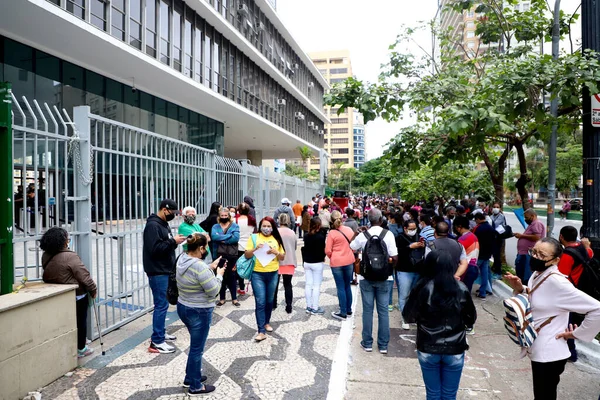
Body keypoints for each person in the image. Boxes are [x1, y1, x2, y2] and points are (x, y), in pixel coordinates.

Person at [504, 238, 600, 400]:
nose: (535, 257)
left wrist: (577, 334)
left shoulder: (558, 283)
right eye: (534, 252)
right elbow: (540, 298)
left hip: (550, 353)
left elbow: (597, 308)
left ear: (555, 260)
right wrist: (521, 289)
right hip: (538, 347)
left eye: (541, 255)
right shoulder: (538, 274)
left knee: (544, 396)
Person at [403, 251, 477, 400]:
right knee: (449, 395)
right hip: (455, 347)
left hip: (428, 346)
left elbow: (408, 316)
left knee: (433, 393)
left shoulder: (422, 287)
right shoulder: (461, 288)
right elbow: (471, 319)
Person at [176, 233, 224, 395]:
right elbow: (214, 291)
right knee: (197, 349)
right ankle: (195, 386)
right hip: (199, 310)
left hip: (184, 306)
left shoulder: (182, 259)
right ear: (201, 248)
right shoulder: (199, 266)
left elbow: (194, 275)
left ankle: (190, 377)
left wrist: (209, 267)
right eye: (206, 247)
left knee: (194, 345)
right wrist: (219, 275)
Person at [41, 227, 98, 358]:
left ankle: (78, 341)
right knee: (80, 321)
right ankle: (81, 348)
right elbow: (84, 276)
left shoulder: (46, 255)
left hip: (58, 293)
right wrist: (93, 290)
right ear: (63, 241)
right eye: (67, 239)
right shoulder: (70, 256)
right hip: (77, 294)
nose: (68, 241)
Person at [350, 208, 398, 354]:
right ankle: (383, 345)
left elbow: (352, 247)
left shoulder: (364, 235)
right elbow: (395, 257)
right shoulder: (388, 234)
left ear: (368, 219)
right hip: (385, 278)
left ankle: (367, 343)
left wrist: (357, 233)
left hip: (366, 277)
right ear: (381, 218)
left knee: (368, 310)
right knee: (383, 311)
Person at [143, 199, 186, 354]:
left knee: (164, 304)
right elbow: (154, 249)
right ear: (164, 209)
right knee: (161, 305)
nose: (173, 216)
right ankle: (156, 341)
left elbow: (165, 244)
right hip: (157, 271)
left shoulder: (163, 224)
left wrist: (173, 242)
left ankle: (160, 332)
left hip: (165, 269)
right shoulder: (153, 226)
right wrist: (172, 241)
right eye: (172, 213)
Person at [244, 216, 285, 341]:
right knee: (260, 301)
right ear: (260, 226)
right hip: (257, 273)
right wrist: (256, 249)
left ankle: (266, 322)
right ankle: (261, 330)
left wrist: (276, 253)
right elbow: (246, 254)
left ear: (272, 227)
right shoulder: (254, 237)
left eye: (268, 226)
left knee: (269, 300)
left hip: (273, 273)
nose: (266, 228)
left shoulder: (276, 239)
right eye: (264, 226)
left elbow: (283, 257)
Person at [558, 225, 594, 362]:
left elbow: (560, 278)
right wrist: (587, 246)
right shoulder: (582, 249)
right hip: (581, 290)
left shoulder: (567, 255)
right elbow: (590, 254)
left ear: (561, 237)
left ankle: (571, 353)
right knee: (572, 321)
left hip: (569, 293)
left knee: (567, 322)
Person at [395, 220, 425, 329]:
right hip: (404, 271)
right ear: (405, 228)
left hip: (417, 269)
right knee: (403, 295)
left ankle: (413, 316)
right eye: (410, 229)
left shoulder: (419, 237)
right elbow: (396, 253)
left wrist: (422, 246)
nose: (413, 231)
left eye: (414, 228)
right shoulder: (399, 238)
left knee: (414, 295)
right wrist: (410, 247)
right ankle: (405, 318)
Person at [326, 210, 356, 321]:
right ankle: (348, 309)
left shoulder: (332, 233)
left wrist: (333, 257)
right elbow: (354, 246)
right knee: (347, 285)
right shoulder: (349, 230)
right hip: (349, 261)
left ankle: (342, 312)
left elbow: (328, 250)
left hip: (336, 262)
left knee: (340, 287)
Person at [211, 208, 241, 307]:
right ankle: (222, 298)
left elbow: (235, 238)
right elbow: (214, 237)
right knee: (221, 276)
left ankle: (234, 298)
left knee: (232, 276)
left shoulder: (234, 225)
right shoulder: (215, 226)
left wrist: (222, 239)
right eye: (222, 216)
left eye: (225, 215)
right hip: (219, 255)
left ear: (228, 216)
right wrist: (228, 236)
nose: (224, 217)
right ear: (219, 216)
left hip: (232, 255)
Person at [272, 214, 297, 313]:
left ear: (279, 221)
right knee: (288, 284)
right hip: (289, 260)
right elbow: (294, 247)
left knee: (275, 284)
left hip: (277, 261)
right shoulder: (292, 232)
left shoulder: (275, 232)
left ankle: (274, 303)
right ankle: (289, 306)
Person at [302, 217, 326, 314]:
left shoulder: (306, 236)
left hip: (307, 262)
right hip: (317, 262)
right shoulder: (320, 237)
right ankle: (315, 307)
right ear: (319, 225)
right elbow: (322, 250)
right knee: (316, 286)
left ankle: (308, 306)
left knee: (308, 284)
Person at [514, 209, 545, 284]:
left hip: (528, 254)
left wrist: (522, 236)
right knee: (521, 273)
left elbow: (537, 237)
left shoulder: (536, 223)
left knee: (526, 275)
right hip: (524, 253)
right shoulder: (532, 224)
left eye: (527, 217)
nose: (525, 219)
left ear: (533, 216)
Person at [453, 216, 480, 294]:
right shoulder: (474, 236)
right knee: (466, 293)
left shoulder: (463, 239)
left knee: (460, 294)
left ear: (459, 227)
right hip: (474, 268)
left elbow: (456, 255)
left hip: (465, 269)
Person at [473, 212, 495, 300]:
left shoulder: (478, 228)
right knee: (484, 273)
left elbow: (474, 241)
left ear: (478, 219)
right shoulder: (490, 228)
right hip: (487, 254)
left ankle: (467, 288)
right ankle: (483, 292)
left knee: (471, 271)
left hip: (479, 254)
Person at [236, 203, 256, 296]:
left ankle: (242, 288)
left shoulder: (235, 220)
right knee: (251, 266)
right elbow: (255, 232)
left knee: (240, 267)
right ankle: (254, 286)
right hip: (250, 246)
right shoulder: (252, 220)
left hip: (239, 245)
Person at [490, 202, 507, 278]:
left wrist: (496, 231)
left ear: (500, 208)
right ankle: (495, 269)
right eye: (494, 207)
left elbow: (503, 227)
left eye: (497, 207)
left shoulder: (502, 217)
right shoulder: (490, 217)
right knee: (494, 255)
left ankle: (498, 273)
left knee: (497, 256)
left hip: (498, 238)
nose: (495, 208)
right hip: (492, 238)